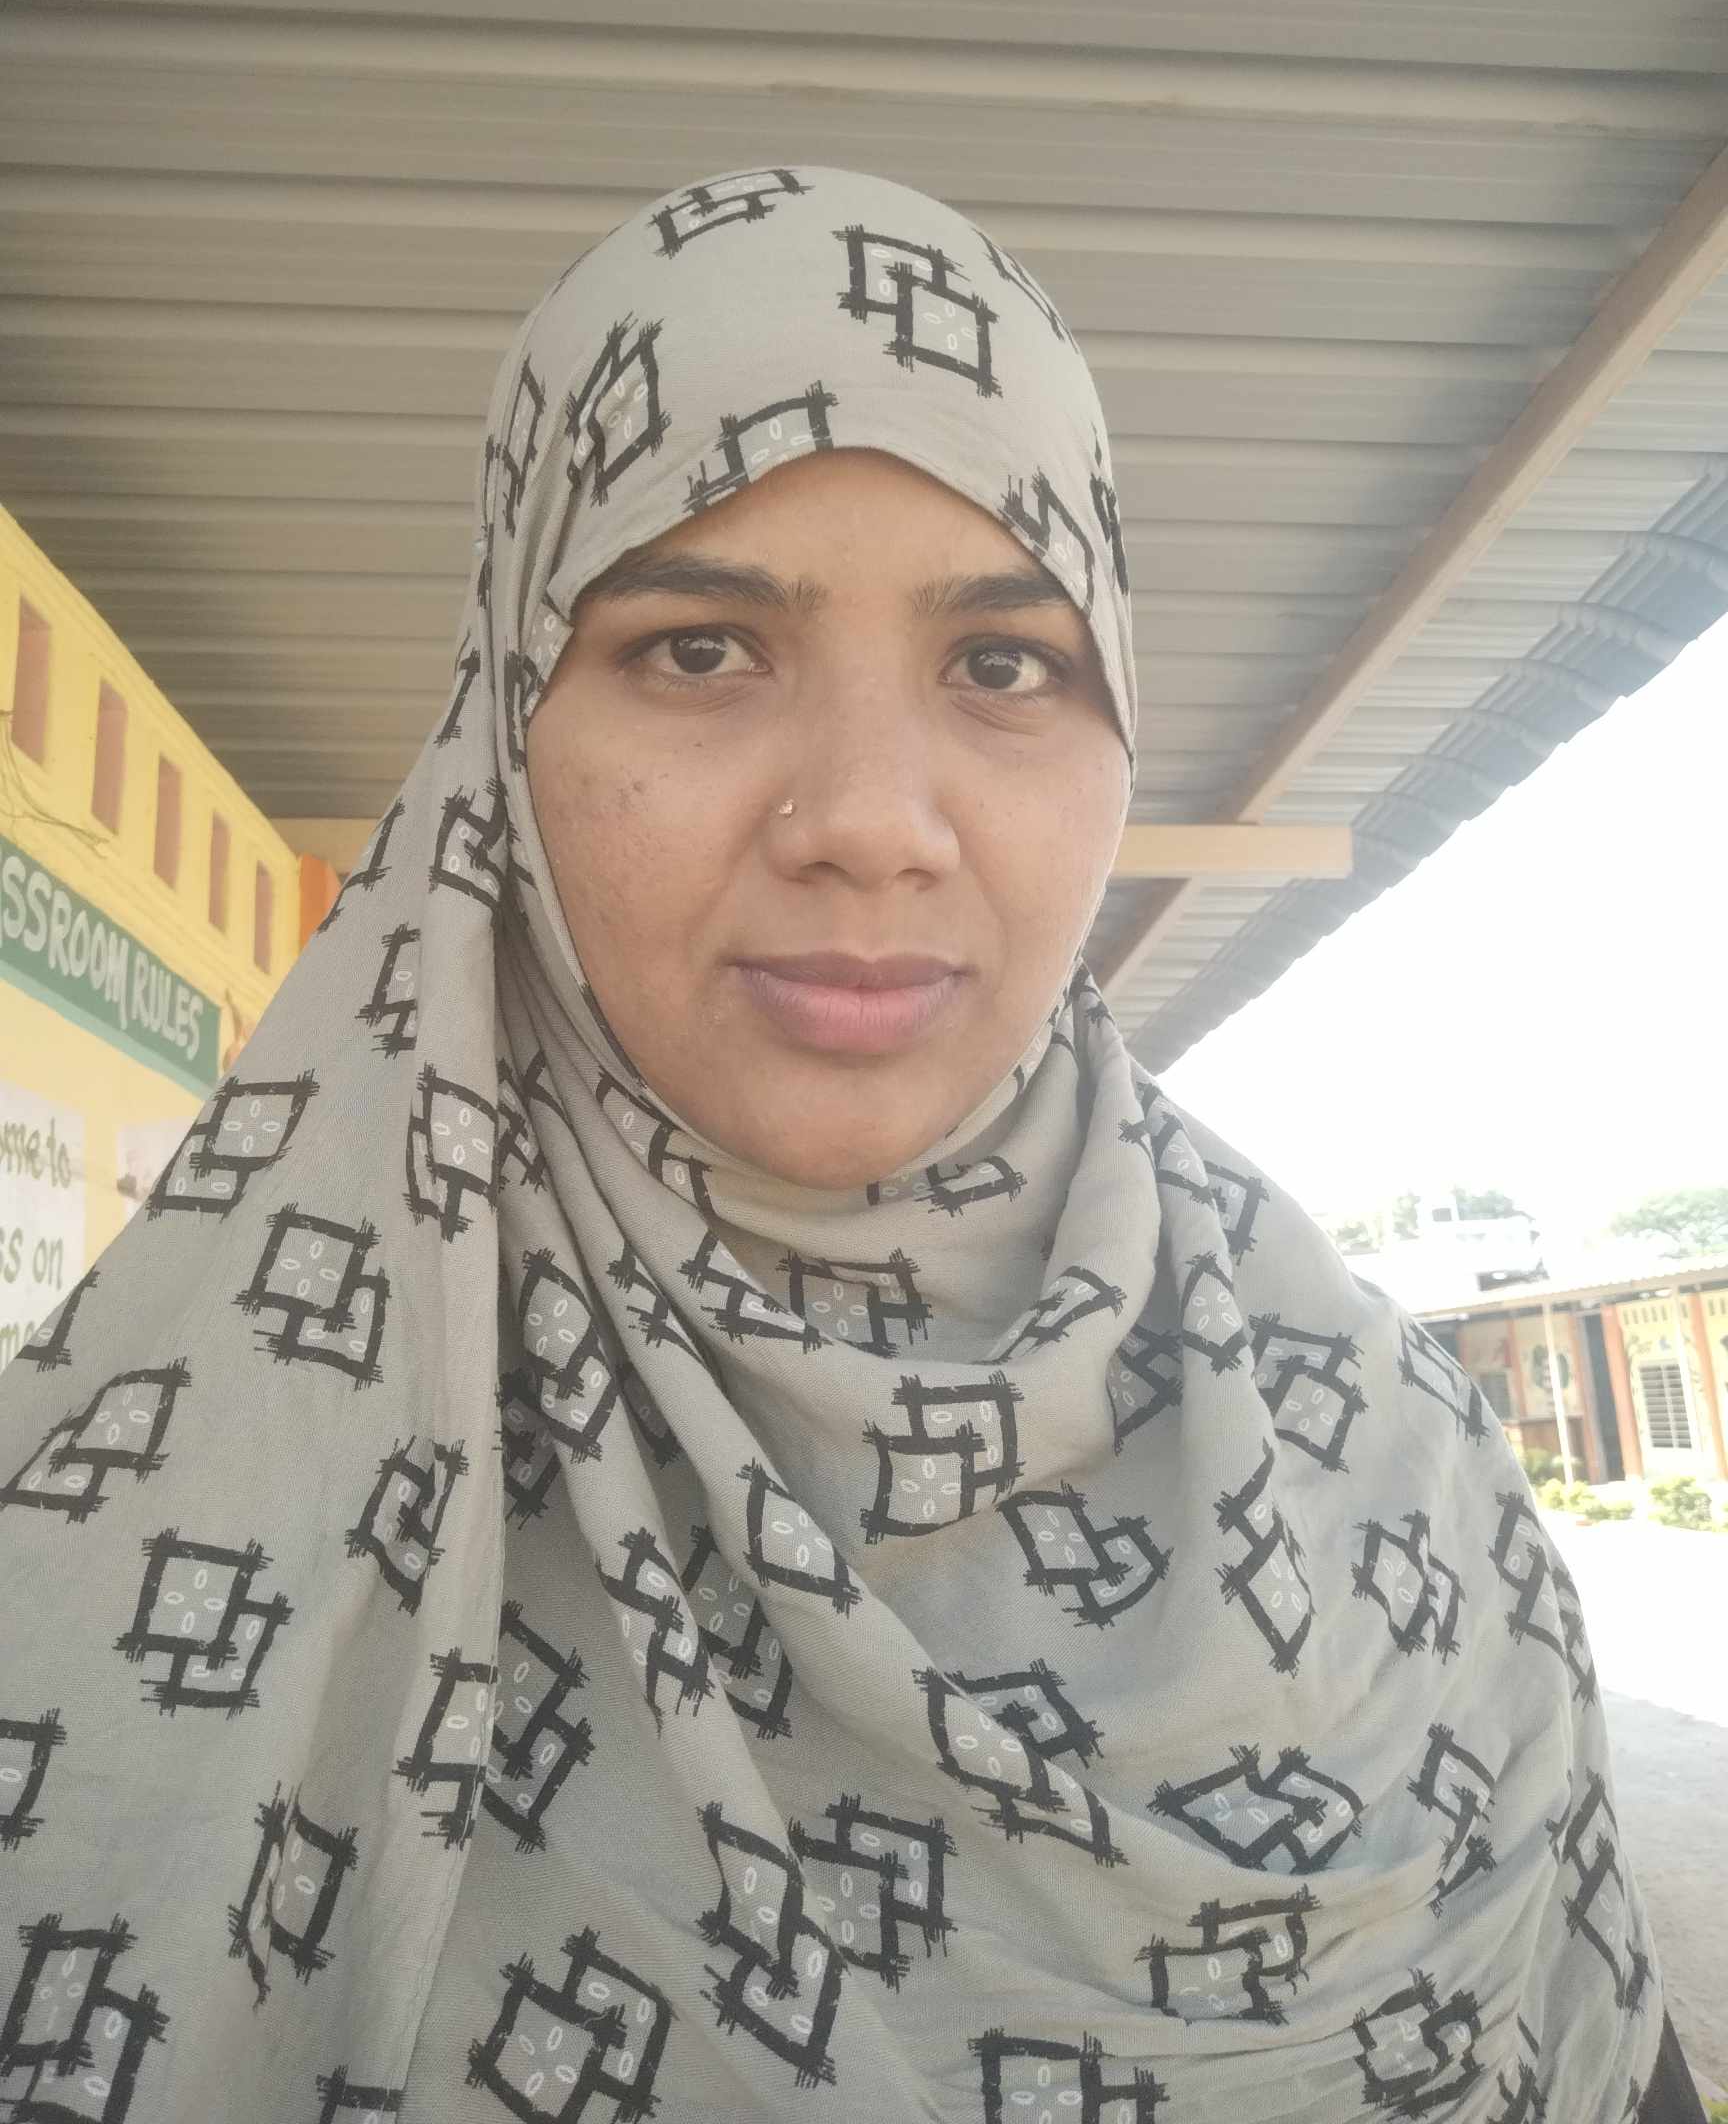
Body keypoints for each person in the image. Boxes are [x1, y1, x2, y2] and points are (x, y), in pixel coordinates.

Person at [0, 166, 1701, 2124]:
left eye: (1004, 665)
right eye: (699, 650)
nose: (874, 822)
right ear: (502, 736)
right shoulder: (139, 1527)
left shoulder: (1396, 1464)